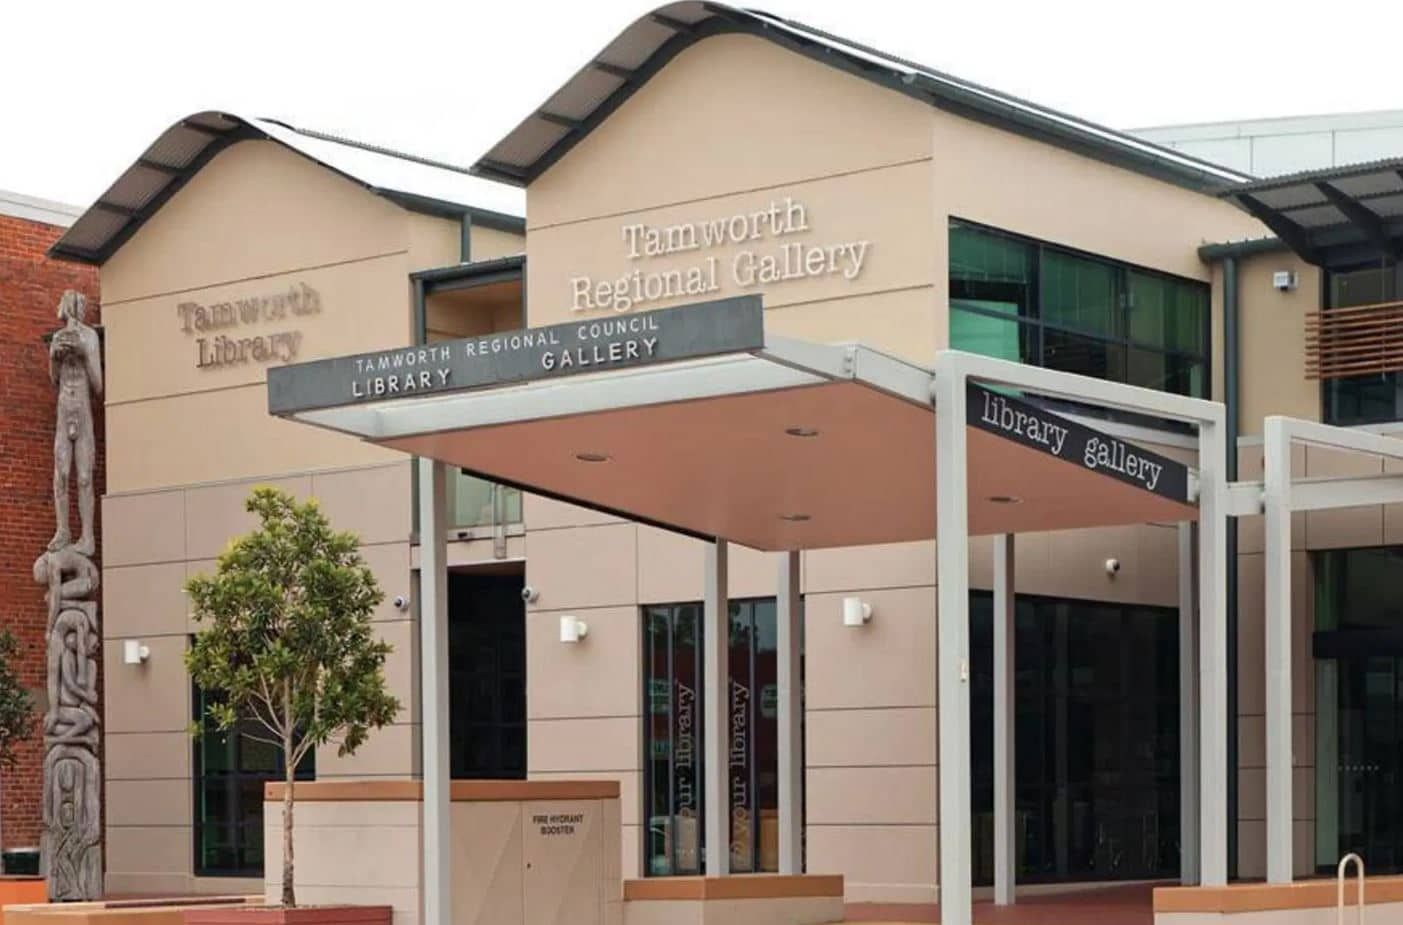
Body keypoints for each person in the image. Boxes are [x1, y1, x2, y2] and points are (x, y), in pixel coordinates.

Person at [48, 291, 102, 556]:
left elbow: (98, 385)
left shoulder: (89, 336)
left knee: (83, 476)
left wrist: (82, 352)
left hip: (82, 410)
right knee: (60, 473)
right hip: (63, 409)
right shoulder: (58, 337)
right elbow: (53, 379)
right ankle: (63, 530)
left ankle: (87, 536)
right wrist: (54, 358)